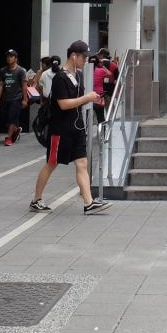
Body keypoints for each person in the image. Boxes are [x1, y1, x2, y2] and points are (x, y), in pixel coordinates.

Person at [30, 40, 110, 215]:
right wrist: (87, 98)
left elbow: (77, 100)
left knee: (82, 163)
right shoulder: (60, 78)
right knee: (51, 163)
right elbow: (63, 104)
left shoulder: (78, 75)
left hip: (77, 127)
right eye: (84, 57)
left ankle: (89, 203)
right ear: (74, 56)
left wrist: (91, 98)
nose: (86, 61)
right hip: (60, 130)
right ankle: (36, 199)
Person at [0, 49, 29, 145]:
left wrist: (25, 99)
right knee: (5, 117)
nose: (9, 58)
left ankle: (8, 137)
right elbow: (1, 84)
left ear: (16, 58)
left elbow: (24, 86)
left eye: (11, 56)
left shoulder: (21, 71)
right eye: (7, 56)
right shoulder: (3, 70)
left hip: (16, 98)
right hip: (5, 98)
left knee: (12, 117)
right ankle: (16, 129)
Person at [92, 49, 113, 124]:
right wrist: (102, 66)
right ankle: (102, 130)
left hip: (89, 95)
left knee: (89, 116)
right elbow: (110, 74)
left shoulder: (88, 70)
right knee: (100, 116)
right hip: (99, 95)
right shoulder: (101, 70)